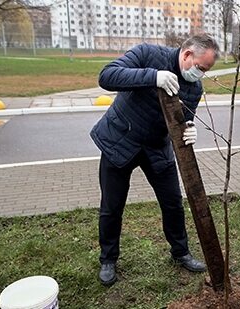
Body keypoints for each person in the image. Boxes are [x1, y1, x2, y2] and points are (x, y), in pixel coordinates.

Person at [90, 34, 220, 286]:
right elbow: (107, 76)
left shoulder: (194, 87)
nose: (201, 74)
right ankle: (108, 259)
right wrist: (153, 76)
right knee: (112, 206)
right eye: (201, 68)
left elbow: (182, 117)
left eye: (206, 71)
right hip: (120, 140)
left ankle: (180, 251)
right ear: (186, 55)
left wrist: (188, 128)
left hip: (156, 148)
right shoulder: (148, 54)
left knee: (172, 202)